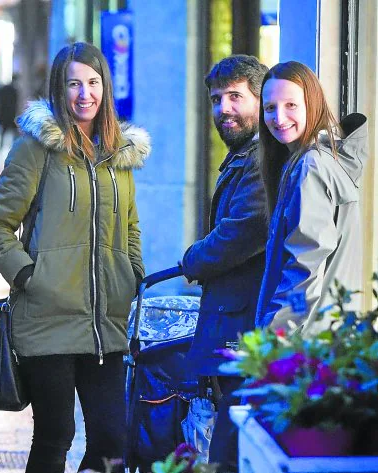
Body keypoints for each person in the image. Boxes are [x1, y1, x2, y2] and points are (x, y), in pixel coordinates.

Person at [0, 42, 150, 473]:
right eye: (74, 83)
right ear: (60, 89)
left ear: (105, 89)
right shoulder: (36, 149)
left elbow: (130, 228)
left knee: (113, 440)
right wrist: (30, 276)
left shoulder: (118, 157)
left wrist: (132, 275)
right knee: (56, 436)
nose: (84, 94)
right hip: (47, 319)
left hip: (105, 322)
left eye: (93, 83)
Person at [180, 55, 269, 472]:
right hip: (233, 321)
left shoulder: (260, 157)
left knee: (229, 452)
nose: (224, 109)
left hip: (245, 324)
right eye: (217, 100)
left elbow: (245, 229)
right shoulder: (245, 155)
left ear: (259, 98)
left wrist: (192, 259)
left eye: (235, 97)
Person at [255, 61, 368, 335]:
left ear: (312, 103)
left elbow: (304, 267)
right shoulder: (318, 161)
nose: (279, 118)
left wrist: (273, 338)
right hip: (329, 335)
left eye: (290, 105)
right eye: (270, 108)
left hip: (307, 344)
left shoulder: (311, 167)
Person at [0, 73, 20, 151]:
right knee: (14, 133)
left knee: (3, 132)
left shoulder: (4, 89)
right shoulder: (14, 91)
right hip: (11, 115)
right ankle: (15, 148)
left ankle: (1, 148)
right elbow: (16, 104)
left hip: (3, 115)